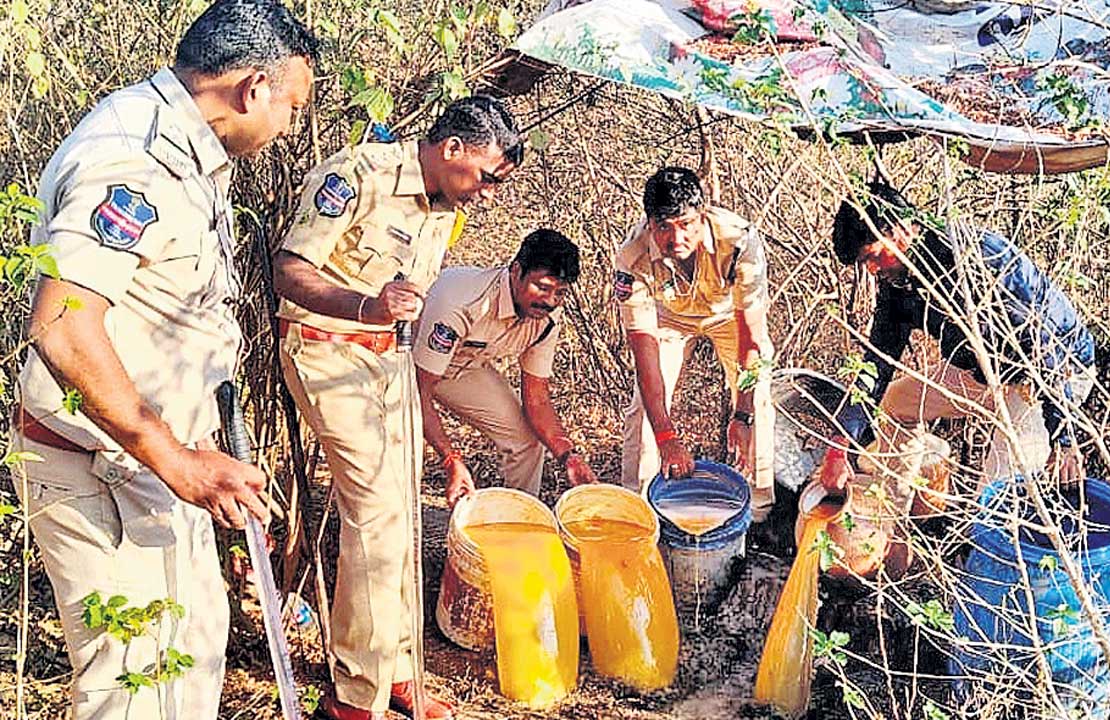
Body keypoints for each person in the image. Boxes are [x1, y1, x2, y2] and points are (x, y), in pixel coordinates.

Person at [10, 2, 317, 717]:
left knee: (191, 661)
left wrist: (194, 452)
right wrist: (176, 460)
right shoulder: (133, 158)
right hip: (95, 463)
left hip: (154, 461)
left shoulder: (193, 151)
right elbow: (62, 324)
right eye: (291, 108)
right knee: (133, 688)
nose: (288, 128)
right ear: (252, 88)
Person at [273, 95, 522, 720]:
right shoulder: (358, 174)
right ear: (452, 149)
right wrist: (366, 308)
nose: (489, 194)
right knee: (377, 515)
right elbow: (287, 270)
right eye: (487, 178)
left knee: (405, 511)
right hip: (326, 351)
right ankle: (357, 696)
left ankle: (399, 672)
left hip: (387, 360)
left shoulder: (446, 207)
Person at [818, 181, 1097, 493]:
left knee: (998, 497)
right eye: (863, 262)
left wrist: (1063, 436)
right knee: (896, 405)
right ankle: (894, 533)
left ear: (902, 229)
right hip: (983, 372)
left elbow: (1047, 345)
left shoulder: (975, 257)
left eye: (874, 255)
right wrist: (840, 443)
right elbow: (878, 362)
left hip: (1048, 375)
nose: (871, 270)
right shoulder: (899, 284)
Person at [614, 166, 776, 521]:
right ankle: (638, 511)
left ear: (702, 217)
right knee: (645, 406)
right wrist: (667, 436)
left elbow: (751, 338)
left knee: (758, 393)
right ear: (649, 224)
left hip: (728, 316)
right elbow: (646, 357)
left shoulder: (740, 241)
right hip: (669, 316)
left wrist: (742, 415)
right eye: (663, 227)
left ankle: (759, 512)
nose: (676, 239)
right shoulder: (632, 257)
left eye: (686, 224)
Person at [414, 229, 598, 505]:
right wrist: (451, 459)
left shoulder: (547, 318)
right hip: (404, 361)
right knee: (405, 449)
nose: (549, 301)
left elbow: (536, 397)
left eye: (560, 293)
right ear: (516, 270)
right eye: (542, 287)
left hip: (462, 367)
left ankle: (520, 520)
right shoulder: (463, 301)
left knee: (526, 441)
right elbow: (419, 391)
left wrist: (568, 456)